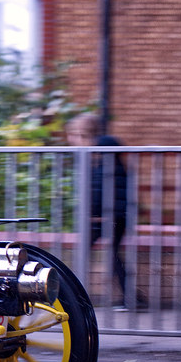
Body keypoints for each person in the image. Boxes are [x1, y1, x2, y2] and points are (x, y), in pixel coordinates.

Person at [66, 112, 129, 309]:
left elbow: (100, 187)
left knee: (86, 253)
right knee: (110, 254)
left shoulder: (101, 154)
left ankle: (73, 297)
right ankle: (128, 297)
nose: (71, 139)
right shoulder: (100, 154)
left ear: (84, 133)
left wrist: (95, 214)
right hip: (112, 214)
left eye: (74, 134)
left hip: (108, 215)